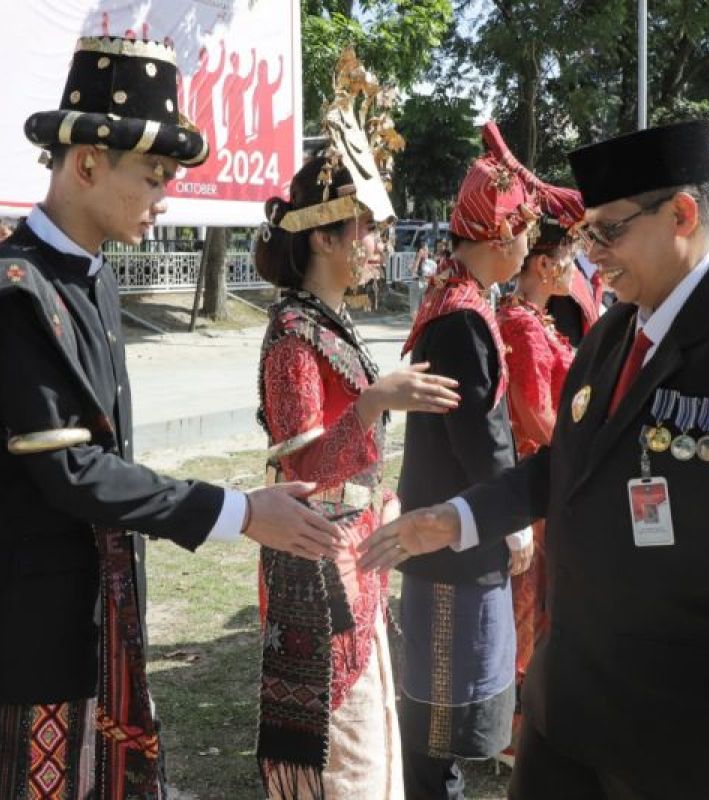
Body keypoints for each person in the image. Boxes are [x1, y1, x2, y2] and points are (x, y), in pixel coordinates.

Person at [0, 36, 348, 800]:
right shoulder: (14, 291)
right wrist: (239, 511)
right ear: (88, 163)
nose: (165, 197)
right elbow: (71, 471)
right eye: (155, 176)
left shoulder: (89, 278)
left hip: (95, 620)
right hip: (30, 635)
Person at [363, 120, 709, 798]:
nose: (593, 255)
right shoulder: (619, 330)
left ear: (682, 214)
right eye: (588, 235)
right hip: (572, 711)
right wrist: (460, 517)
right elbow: (568, 464)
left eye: (609, 232)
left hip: (688, 736)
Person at [249, 48, 460, 800]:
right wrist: (375, 404)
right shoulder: (292, 336)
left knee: (371, 741)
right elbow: (303, 475)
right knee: (344, 757)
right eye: (366, 230)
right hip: (315, 564)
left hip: (355, 553)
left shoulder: (329, 323)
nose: (379, 245)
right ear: (322, 237)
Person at [393, 121, 580, 799]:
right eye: (528, 238)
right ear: (504, 241)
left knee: (445, 696)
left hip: (448, 526)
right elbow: (484, 436)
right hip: (454, 537)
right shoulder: (465, 317)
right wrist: (508, 521)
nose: (533, 250)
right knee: (442, 708)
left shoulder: (458, 300)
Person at [495, 215, 579, 754]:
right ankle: (514, 727)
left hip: (551, 474)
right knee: (527, 601)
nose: (577, 267)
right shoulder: (523, 326)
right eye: (569, 258)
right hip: (538, 478)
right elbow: (534, 414)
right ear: (546, 266)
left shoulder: (539, 320)